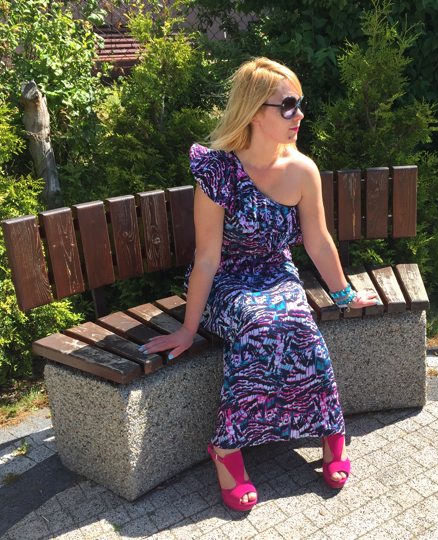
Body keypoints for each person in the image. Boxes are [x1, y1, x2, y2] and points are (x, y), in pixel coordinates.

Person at [139, 57, 378, 512]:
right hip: (226, 280)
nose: (298, 114)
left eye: (299, 103)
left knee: (299, 323)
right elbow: (207, 258)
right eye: (287, 106)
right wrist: (188, 329)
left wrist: (344, 295)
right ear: (253, 112)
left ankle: (330, 429)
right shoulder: (218, 172)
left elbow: (318, 241)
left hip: (275, 273)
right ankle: (227, 448)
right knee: (260, 324)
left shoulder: (302, 170)